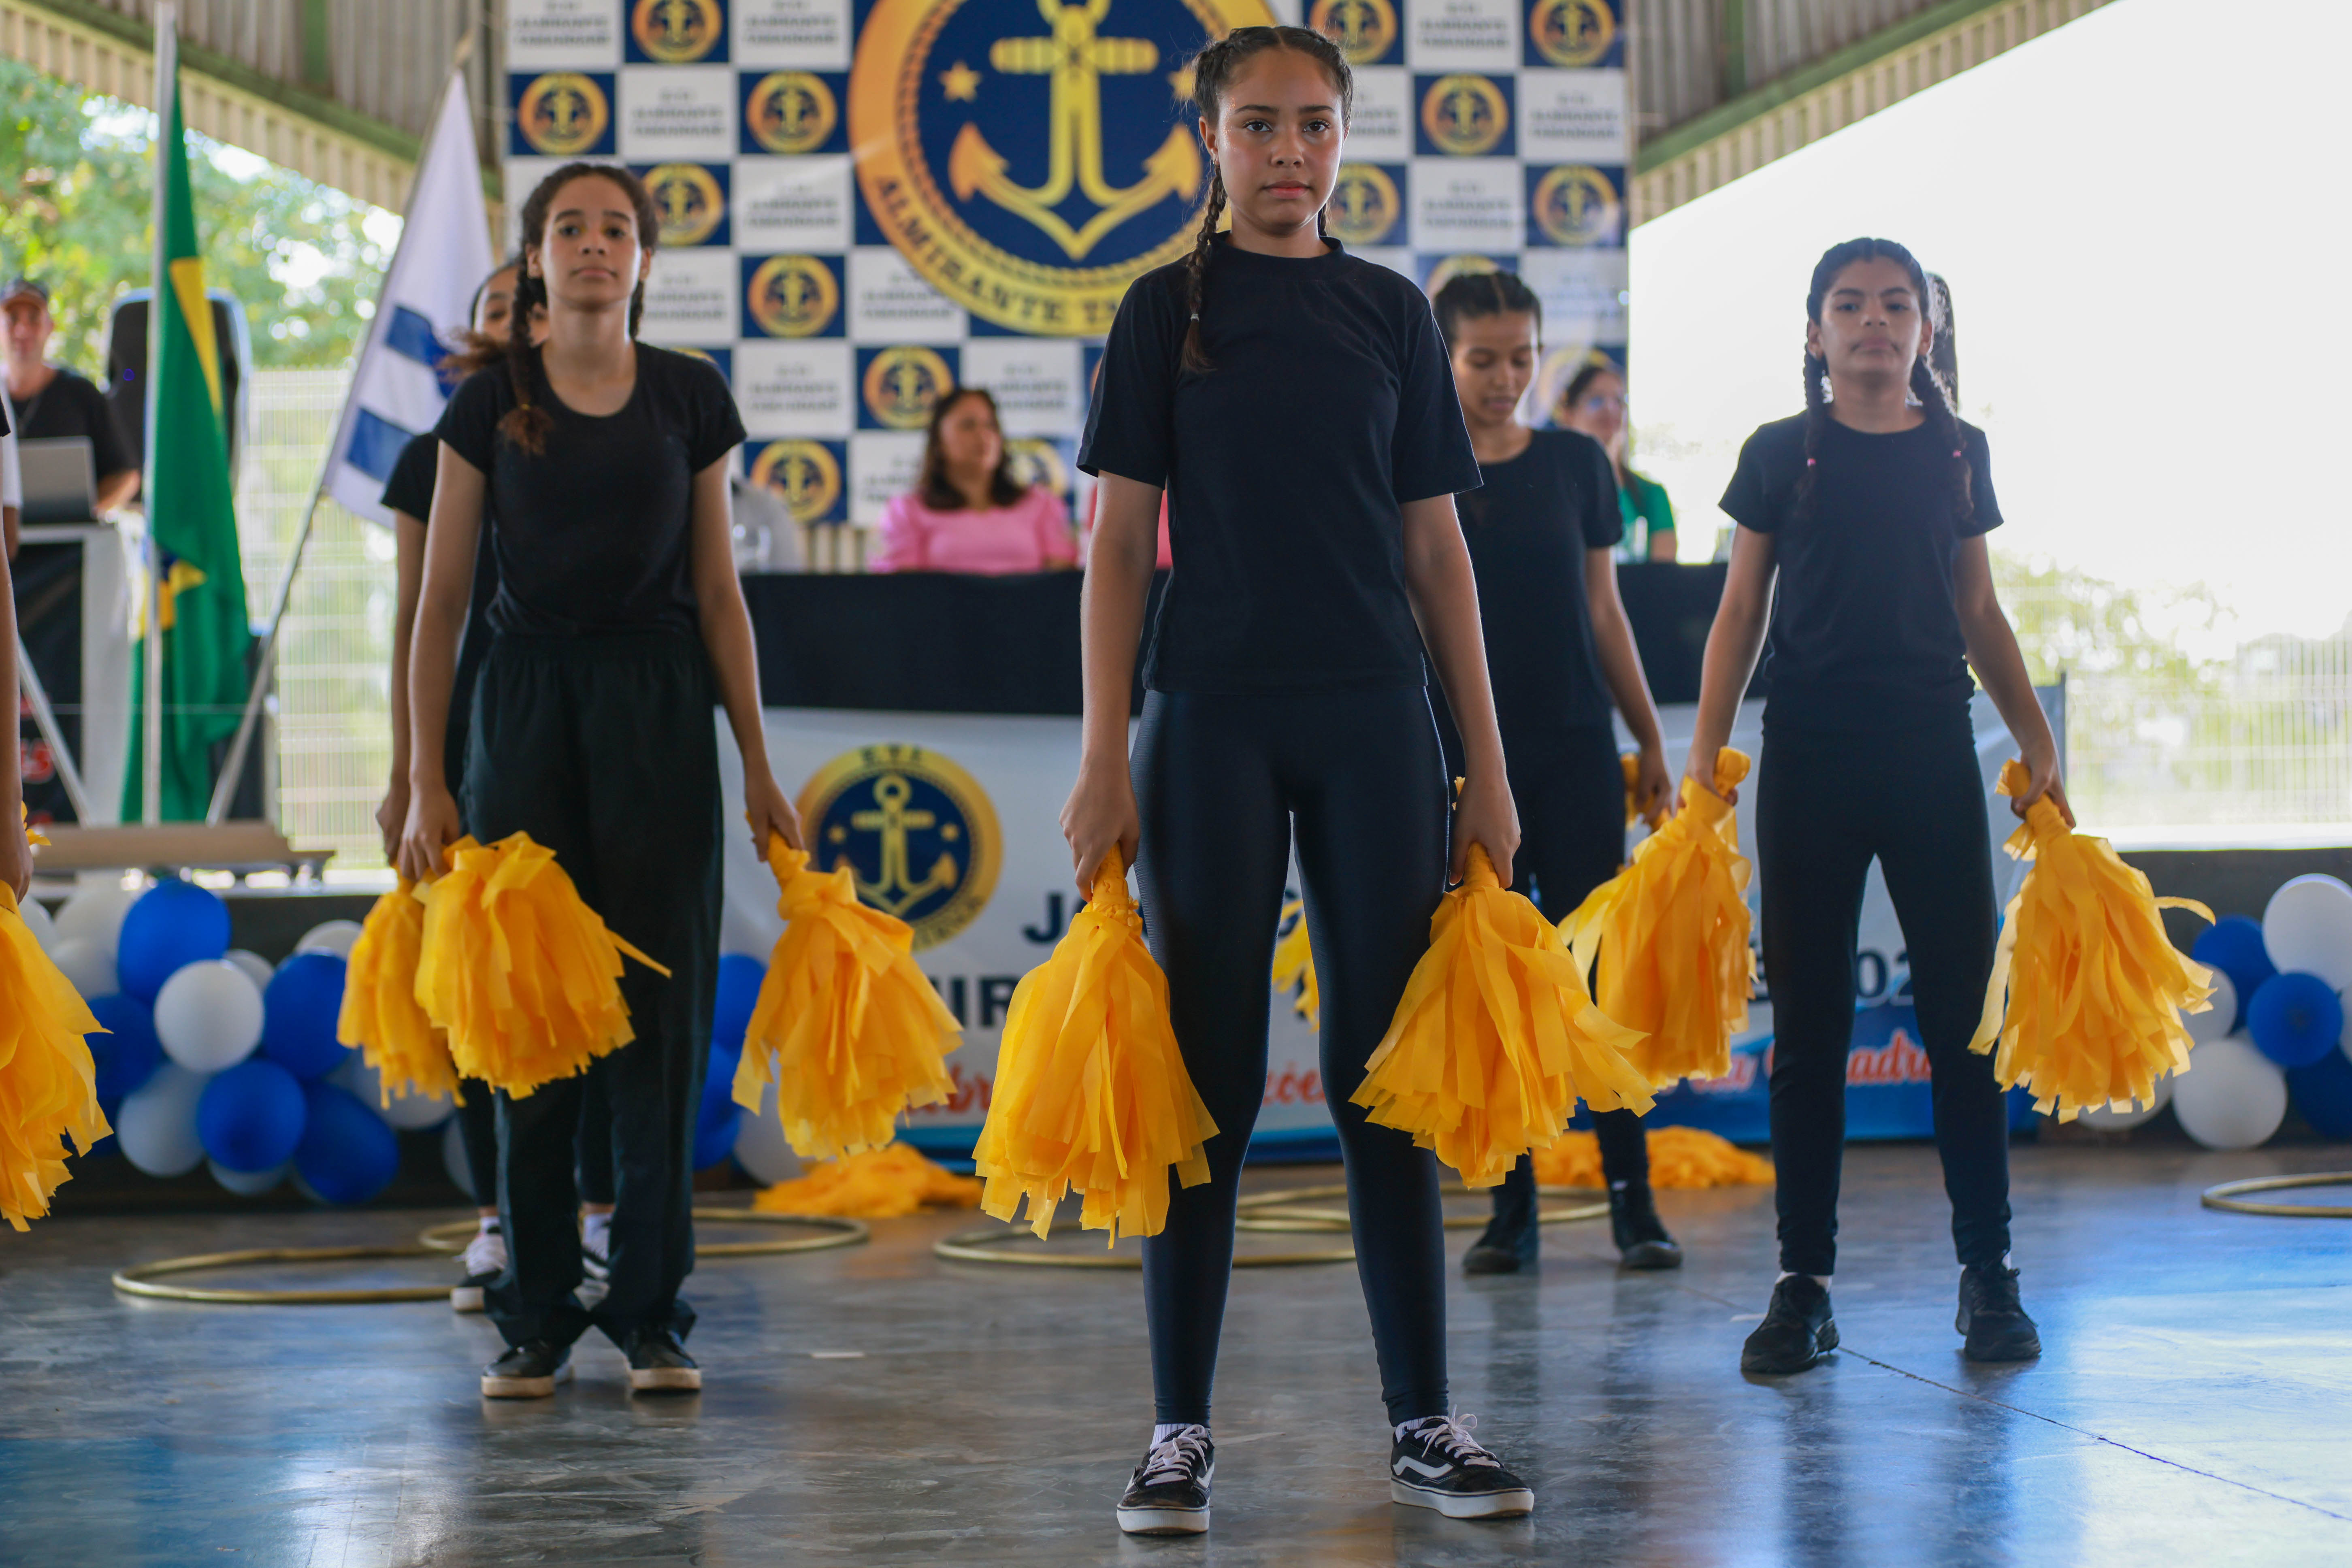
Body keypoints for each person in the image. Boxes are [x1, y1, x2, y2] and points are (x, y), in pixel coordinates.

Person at [1071, 25, 1536, 1536]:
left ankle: (1425, 1420)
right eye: (1260, 127)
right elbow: (1117, 547)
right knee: (1204, 1082)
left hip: (1373, 725)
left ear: (1346, 142)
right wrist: (1101, 758)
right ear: (1208, 140)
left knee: (1379, 1078)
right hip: (1206, 719)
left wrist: (1487, 767)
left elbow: (1435, 556)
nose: (1290, 155)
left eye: (1316, 128)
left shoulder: (1392, 314)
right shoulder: (1161, 313)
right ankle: (1176, 1434)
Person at [397, 162, 802, 1399]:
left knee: (660, 1018)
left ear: (641, 260)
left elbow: (721, 596)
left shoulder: (689, 395)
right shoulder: (488, 405)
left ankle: (649, 1313)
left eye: (614, 229)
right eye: (567, 228)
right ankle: (531, 1313)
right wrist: (425, 774)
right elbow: (443, 603)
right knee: (528, 1020)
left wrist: (758, 763)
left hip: (659, 708)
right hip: (519, 711)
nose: (591, 245)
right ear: (533, 259)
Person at [1695, 237, 2063, 1376]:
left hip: (1927, 754)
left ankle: (1988, 1274)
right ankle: (1802, 1287)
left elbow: (1980, 611)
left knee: (1964, 1020)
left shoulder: (1960, 452)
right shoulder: (1777, 453)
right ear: (1814, 332)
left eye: (1895, 304)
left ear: (1927, 329)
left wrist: (2038, 736)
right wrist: (1707, 750)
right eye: (1848, 305)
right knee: (1806, 1034)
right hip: (1805, 756)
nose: (1872, 321)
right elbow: (1739, 608)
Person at [1431, 271, 1683, 1278]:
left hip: (1575, 747)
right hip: (1458, 763)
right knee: (1489, 985)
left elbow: (1604, 610)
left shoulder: (1579, 464)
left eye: (1521, 358)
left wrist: (1648, 735)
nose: (1503, 379)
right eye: (1480, 359)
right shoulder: (1415, 469)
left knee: (1594, 979)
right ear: (1443, 358)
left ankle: (1632, 1199)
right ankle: (1509, 1204)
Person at [373, 258, 608, 1314]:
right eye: (498, 306)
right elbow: (414, 613)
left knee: (587, 974)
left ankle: (600, 1218)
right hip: (467, 735)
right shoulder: (435, 453)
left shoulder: (610, 436)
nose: (518, 318)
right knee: (482, 982)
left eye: (532, 302)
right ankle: (498, 1224)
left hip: (580, 734)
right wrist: (407, 769)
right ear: (473, 336)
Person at [871, 387, 1076, 573]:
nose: (983, 435)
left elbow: (1059, 582)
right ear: (938, 442)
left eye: (991, 425)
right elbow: (902, 591)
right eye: (968, 426)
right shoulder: (907, 510)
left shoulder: (1042, 504)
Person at [2, 280, 138, 516]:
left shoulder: (81, 393)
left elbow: (127, 475)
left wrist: (86, 516)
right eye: (12, 319)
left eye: (33, 319)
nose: (22, 330)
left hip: (72, 549)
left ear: (50, 327)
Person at [1557, 362, 1675, 563]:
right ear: (1568, 414)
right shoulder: (1551, 490)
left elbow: (1663, 581)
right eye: (1596, 400)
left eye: (1619, 401)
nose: (1610, 409)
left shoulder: (1651, 495)